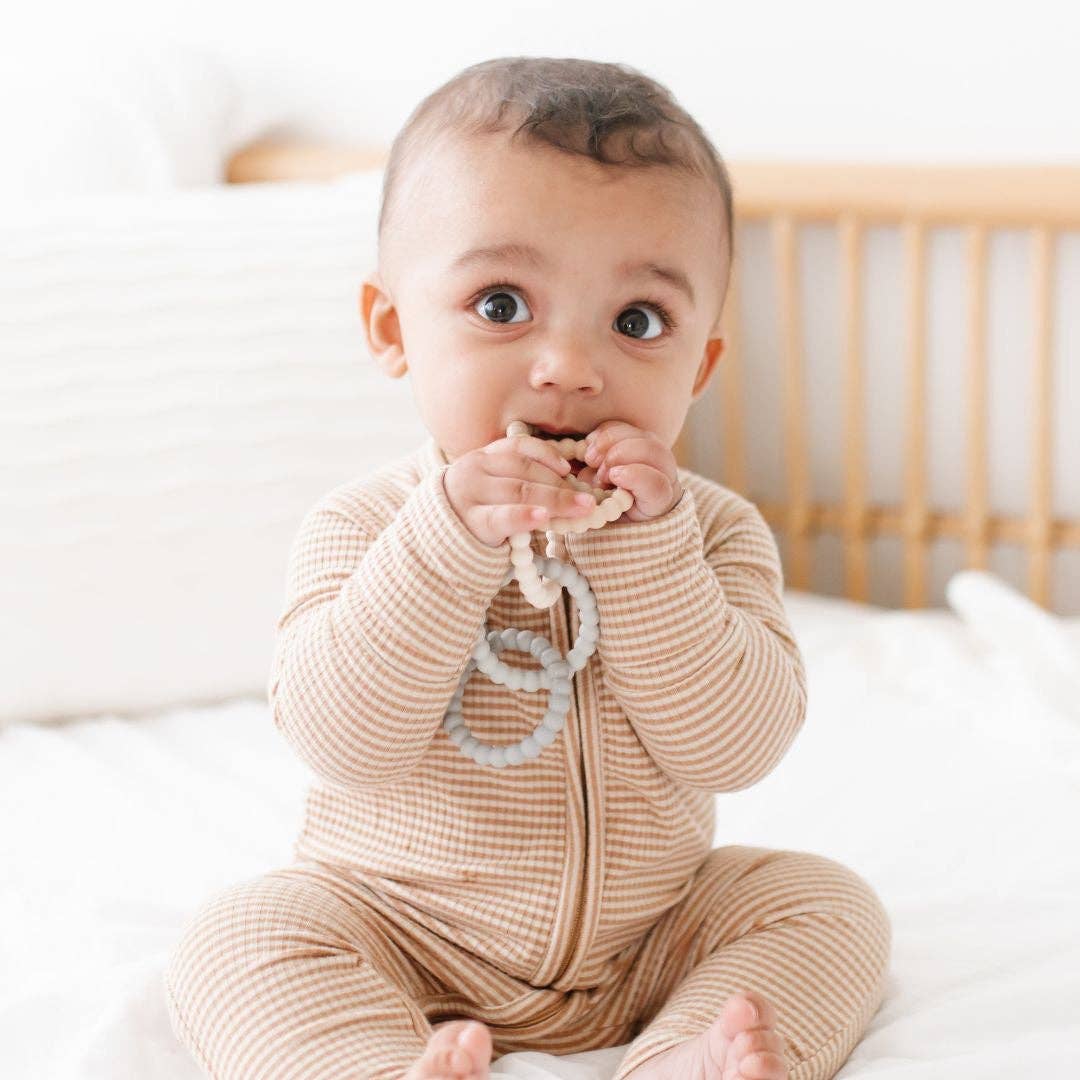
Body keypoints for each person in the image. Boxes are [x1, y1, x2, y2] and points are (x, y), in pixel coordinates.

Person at [165, 56, 891, 1080]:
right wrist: (443, 547)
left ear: (700, 367)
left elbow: (737, 748)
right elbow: (342, 741)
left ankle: (683, 1059)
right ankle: (374, 1067)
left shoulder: (713, 533)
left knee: (825, 904)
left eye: (637, 322)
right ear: (393, 330)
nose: (570, 368)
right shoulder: (363, 526)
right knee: (238, 937)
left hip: (646, 944)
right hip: (397, 931)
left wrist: (649, 551)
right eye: (502, 304)